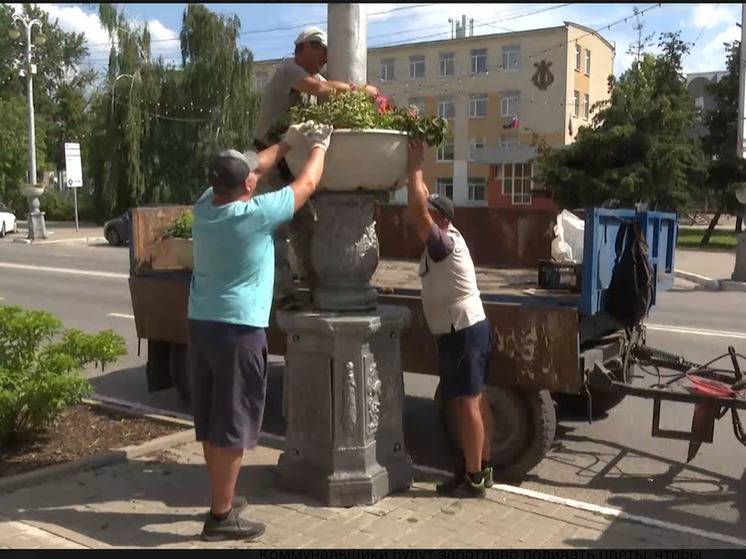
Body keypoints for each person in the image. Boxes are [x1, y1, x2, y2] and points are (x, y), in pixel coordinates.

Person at [187, 121, 333, 541]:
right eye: (251, 177)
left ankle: (223, 498)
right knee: (232, 423)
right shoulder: (255, 216)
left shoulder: (205, 206)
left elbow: (255, 165)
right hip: (238, 330)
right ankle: (220, 517)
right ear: (248, 188)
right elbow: (305, 185)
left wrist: (289, 139)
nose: (256, 174)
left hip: (202, 324)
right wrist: (318, 146)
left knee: (215, 419)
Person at [253, 26, 379, 309]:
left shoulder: (316, 77)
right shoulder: (289, 70)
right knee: (276, 232)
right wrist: (360, 91)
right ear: (305, 47)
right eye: (322, 50)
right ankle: (281, 295)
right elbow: (322, 90)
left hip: (291, 163)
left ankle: (316, 286)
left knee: (305, 227)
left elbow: (327, 96)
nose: (325, 57)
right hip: (270, 160)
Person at [405, 140, 495, 498]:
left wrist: (414, 166)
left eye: (430, 214)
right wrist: (417, 169)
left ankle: (472, 477)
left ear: (441, 219)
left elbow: (416, 212)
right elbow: (419, 204)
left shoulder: (445, 244)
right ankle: (481, 469)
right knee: (474, 399)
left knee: (466, 403)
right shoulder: (442, 243)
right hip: (468, 328)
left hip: (463, 331)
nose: (423, 219)